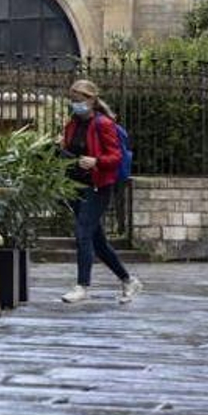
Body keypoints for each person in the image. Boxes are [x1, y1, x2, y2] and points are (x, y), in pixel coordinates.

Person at [58, 79, 142, 304]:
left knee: (83, 231)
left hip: (98, 185)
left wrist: (96, 161)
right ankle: (128, 280)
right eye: (73, 100)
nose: (75, 104)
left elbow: (115, 157)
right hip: (74, 186)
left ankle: (82, 286)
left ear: (91, 100)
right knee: (97, 241)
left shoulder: (103, 124)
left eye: (79, 100)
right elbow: (70, 151)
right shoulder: (72, 124)